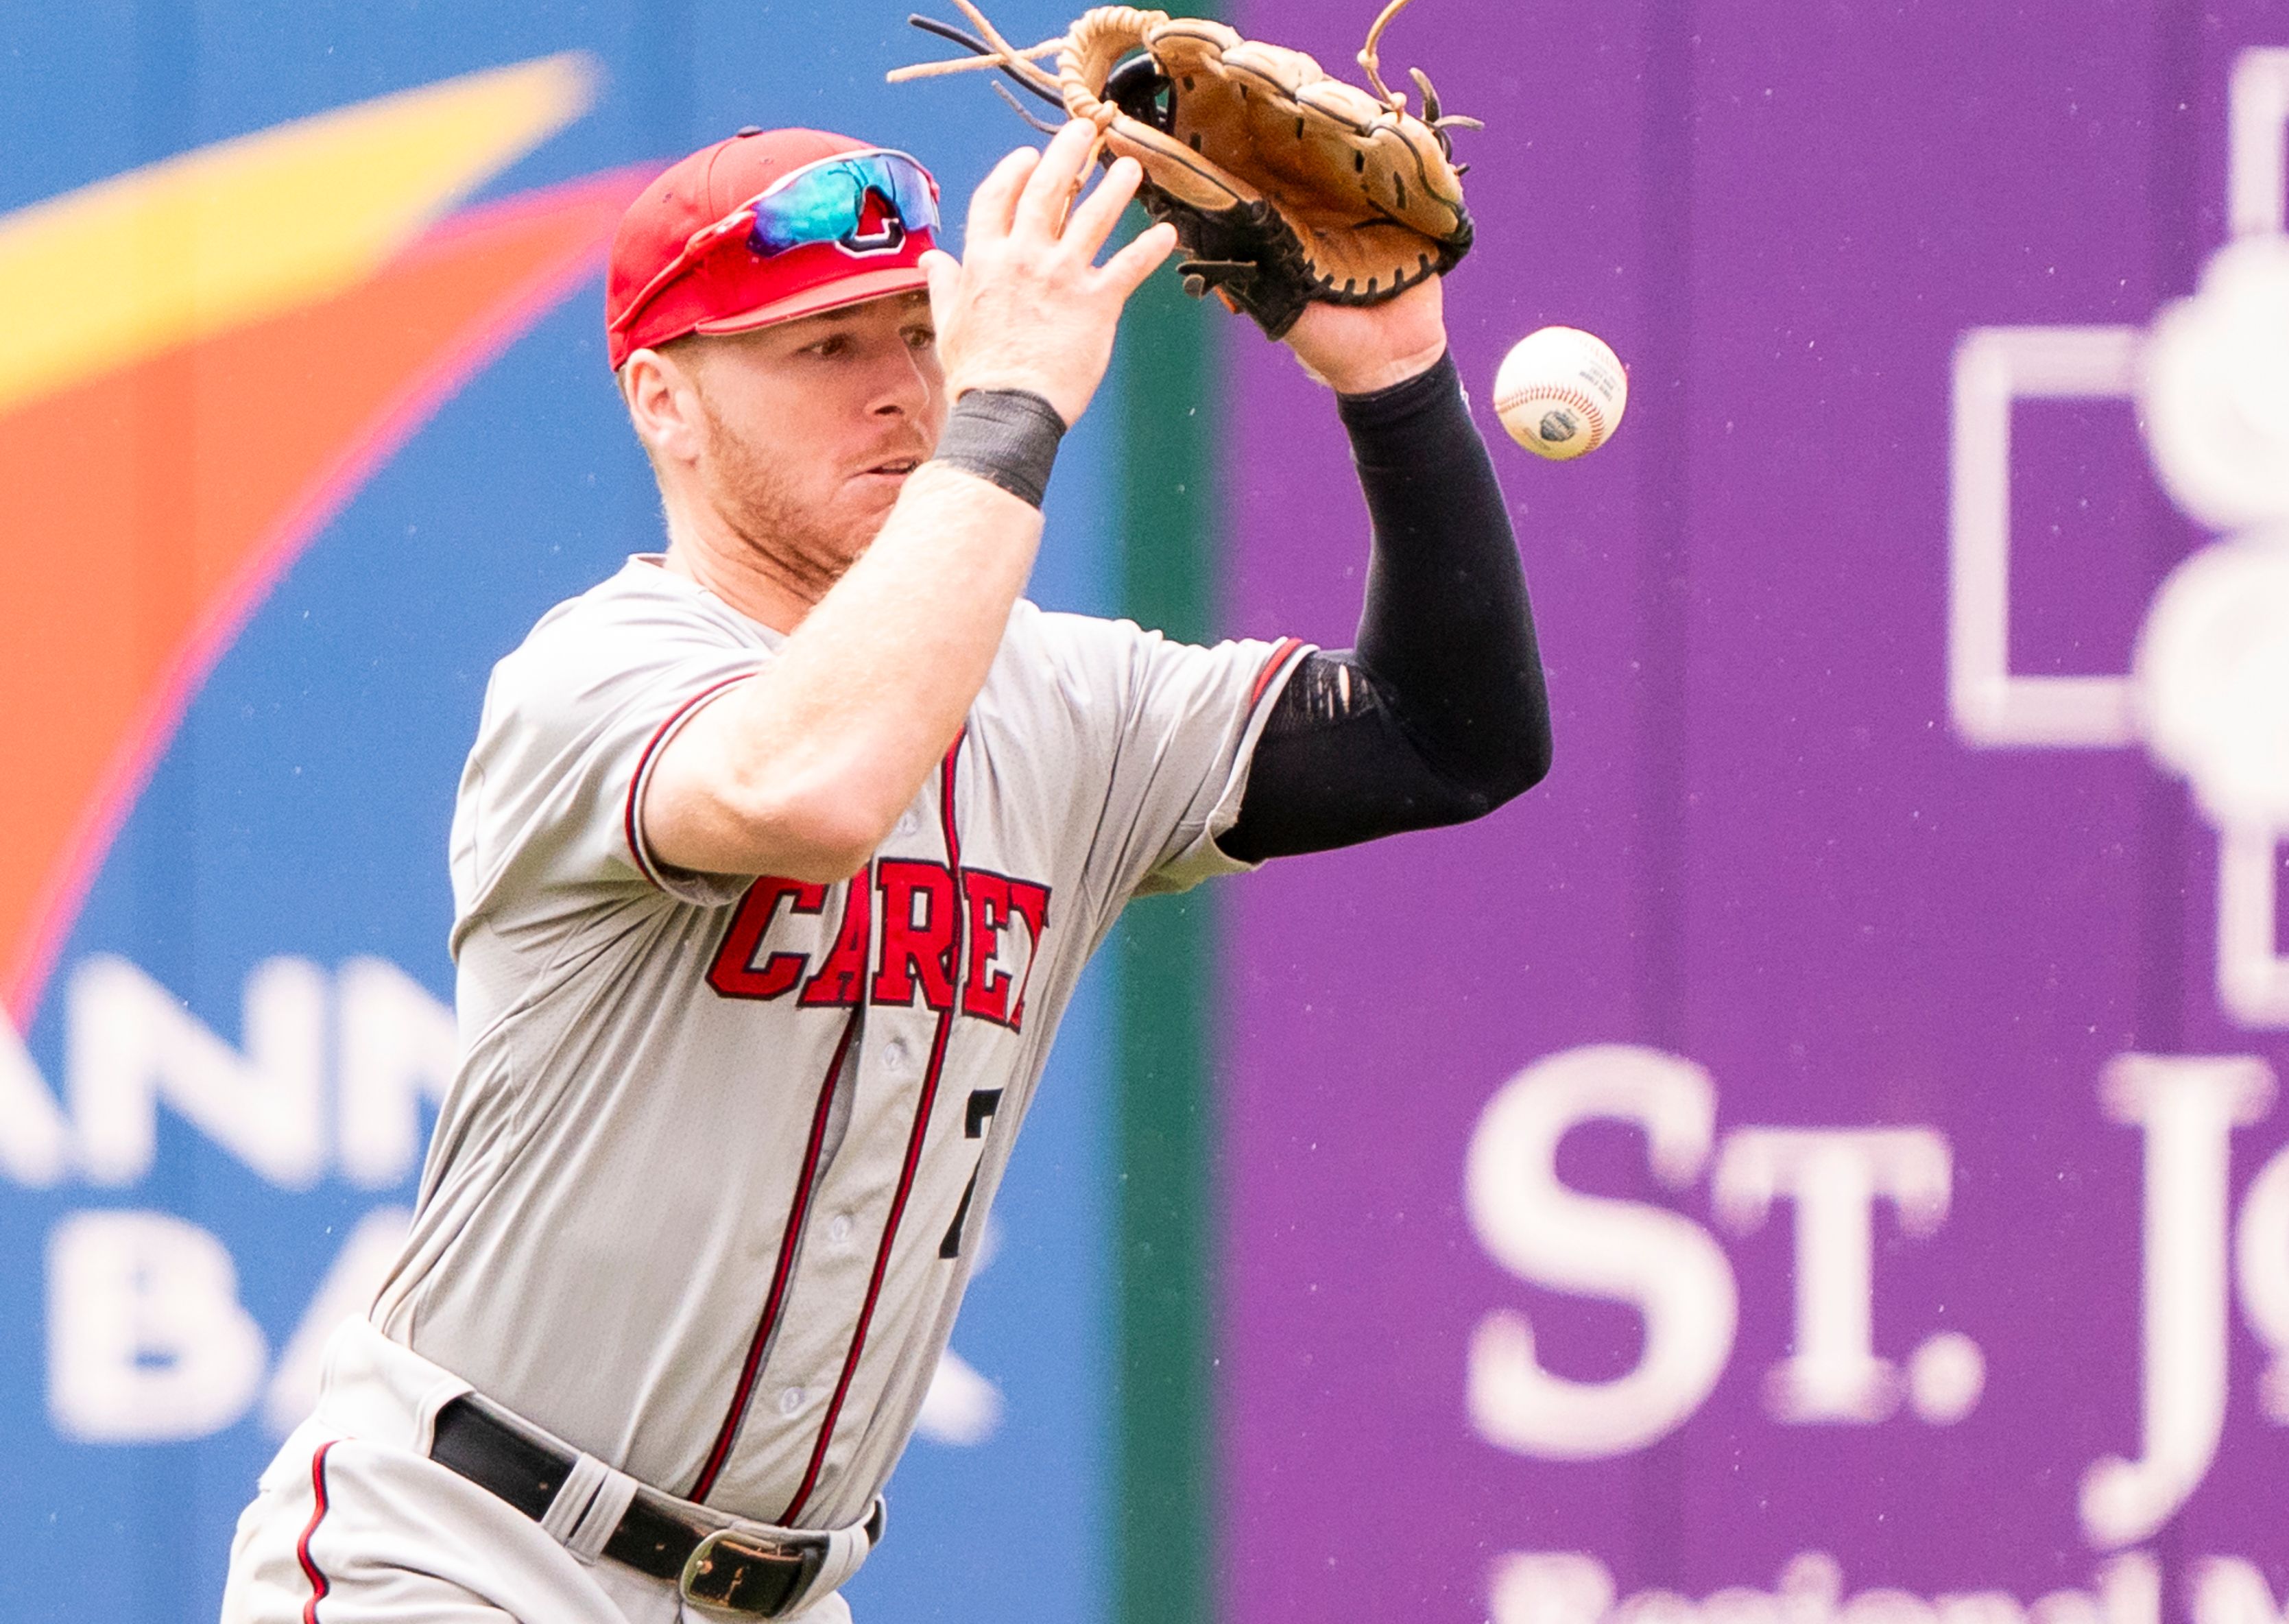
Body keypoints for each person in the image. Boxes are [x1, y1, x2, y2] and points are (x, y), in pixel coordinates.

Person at [220, 115, 1547, 1624]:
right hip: (464, 1549)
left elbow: (1451, 738)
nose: (900, 387)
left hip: (785, 1591)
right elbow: (819, 781)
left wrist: (1396, 379)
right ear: (663, 400)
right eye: (821, 346)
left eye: (923, 329)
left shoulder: (1068, 702)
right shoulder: (598, 673)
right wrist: (1013, 398)